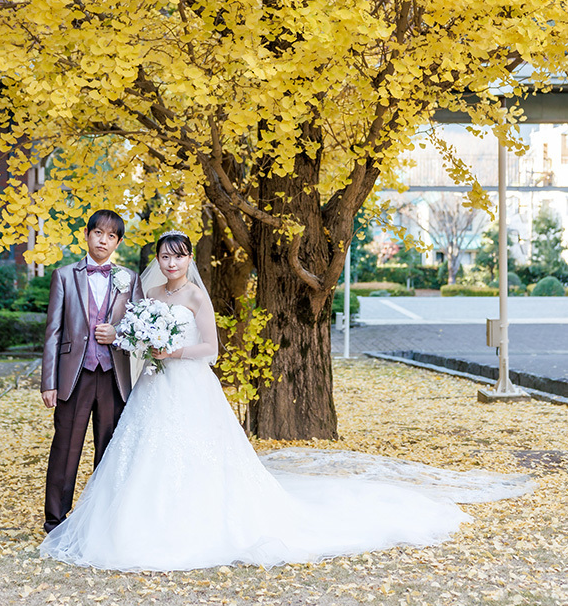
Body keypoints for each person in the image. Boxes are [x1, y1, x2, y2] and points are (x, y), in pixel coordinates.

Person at [40, 230, 530, 570]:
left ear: (189, 260)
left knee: (200, 456)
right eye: (165, 257)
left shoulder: (195, 297)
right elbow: (132, 336)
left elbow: (210, 349)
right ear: (158, 261)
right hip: (154, 386)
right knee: (143, 454)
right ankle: (135, 523)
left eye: (179, 256)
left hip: (188, 383)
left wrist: (174, 350)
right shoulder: (148, 296)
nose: (171, 264)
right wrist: (145, 345)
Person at [40, 208, 142, 533]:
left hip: (114, 377)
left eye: (111, 236)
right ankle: (55, 521)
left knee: (109, 449)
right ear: (86, 235)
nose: (103, 240)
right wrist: (48, 382)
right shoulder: (64, 276)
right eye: (98, 233)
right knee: (65, 448)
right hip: (75, 375)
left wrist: (117, 334)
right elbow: (53, 332)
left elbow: (139, 329)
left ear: (118, 242)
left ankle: (103, 522)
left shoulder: (130, 279)